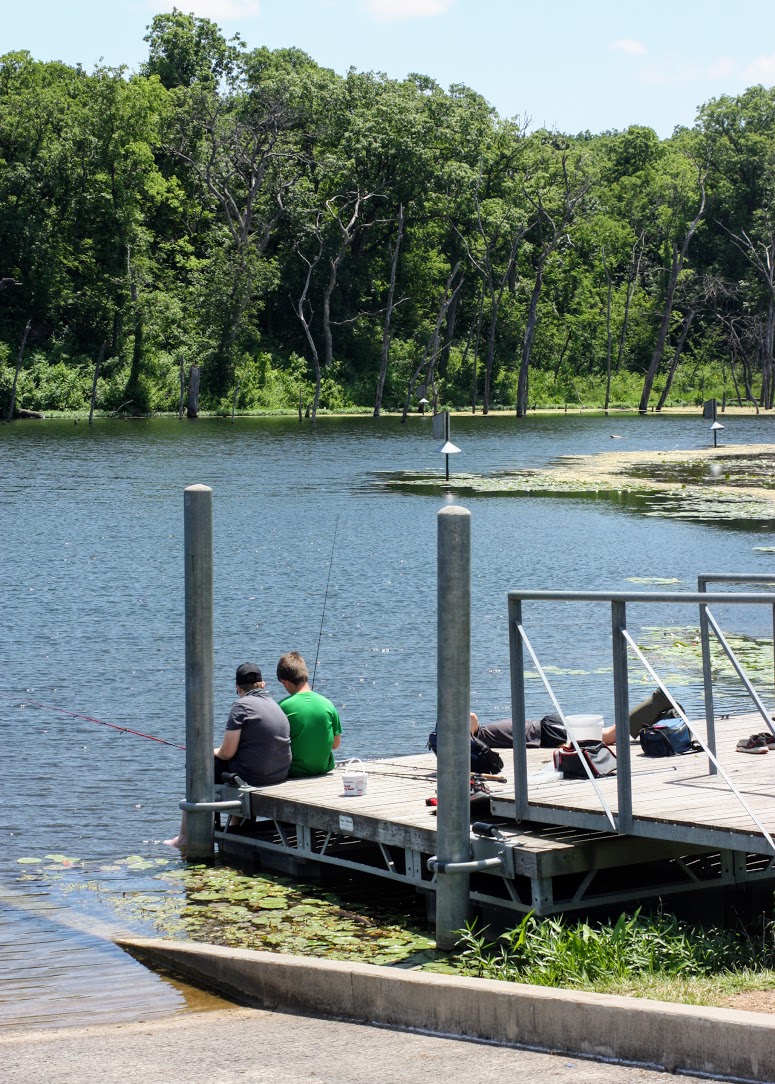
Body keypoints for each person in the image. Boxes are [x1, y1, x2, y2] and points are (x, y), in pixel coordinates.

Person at [165, 662, 291, 850]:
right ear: (262, 684)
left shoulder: (241, 707)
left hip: (255, 777)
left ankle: (185, 837)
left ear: (238, 688)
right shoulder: (276, 705)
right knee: (242, 761)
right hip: (279, 774)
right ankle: (234, 827)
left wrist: (207, 752)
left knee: (200, 765)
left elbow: (227, 752)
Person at [276, 651, 342, 776]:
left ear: (285, 681)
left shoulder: (281, 707)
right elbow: (335, 744)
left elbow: (275, 746)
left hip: (293, 772)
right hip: (323, 770)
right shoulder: (328, 704)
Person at [471, 712, 617, 748]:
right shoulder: (483, 738)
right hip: (546, 732)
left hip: (546, 729)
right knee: (600, 734)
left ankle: (637, 716)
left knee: (605, 737)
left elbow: (472, 717)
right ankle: (634, 719)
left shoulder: (480, 734)